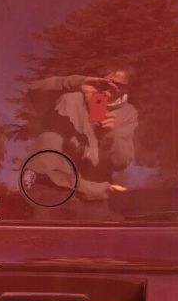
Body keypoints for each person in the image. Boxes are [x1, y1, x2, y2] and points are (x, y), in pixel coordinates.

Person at [25, 68, 138, 208]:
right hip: (50, 183)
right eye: (108, 82)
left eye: (118, 85)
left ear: (126, 89)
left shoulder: (128, 113)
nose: (111, 87)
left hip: (92, 193)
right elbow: (34, 91)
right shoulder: (70, 96)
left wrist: (110, 136)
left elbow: (121, 162)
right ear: (102, 78)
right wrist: (76, 82)